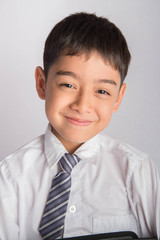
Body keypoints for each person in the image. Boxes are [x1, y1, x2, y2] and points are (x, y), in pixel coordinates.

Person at [0, 12, 159, 240]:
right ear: (42, 84)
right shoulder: (10, 177)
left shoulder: (137, 171)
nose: (82, 105)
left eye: (102, 91)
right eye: (68, 84)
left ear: (118, 98)